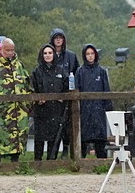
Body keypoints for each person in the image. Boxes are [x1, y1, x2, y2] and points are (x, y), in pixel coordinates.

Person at [30, 43, 70, 160]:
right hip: (41, 111)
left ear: (54, 54)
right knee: (39, 138)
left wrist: (63, 97)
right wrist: (37, 99)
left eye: (50, 53)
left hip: (56, 110)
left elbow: (68, 88)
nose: (47, 55)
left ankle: (51, 162)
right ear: (41, 55)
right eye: (45, 53)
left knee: (54, 138)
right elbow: (32, 89)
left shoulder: (61, 71)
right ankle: (38, 162)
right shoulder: (37, 71)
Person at [46, 29, 80, 157]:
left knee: (67, 125)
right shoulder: (48, 54)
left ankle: (66, 149)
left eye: (60, 37)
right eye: (56, 37)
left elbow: (77, 74)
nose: (58, 40)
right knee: (53, 125)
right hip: (52, 96)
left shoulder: (71, 56)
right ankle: (52, 153)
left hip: (68, 95)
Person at [77, 44, 114, 158]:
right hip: (84, 110)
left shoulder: (101, 71)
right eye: (87, 54)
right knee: (83, 139)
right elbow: (76, 90)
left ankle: (102, 162)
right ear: (84, 55)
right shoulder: (80, 72)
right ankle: (80, 163)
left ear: (96, 55)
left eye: (92, 53)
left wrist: (108, 108)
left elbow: (106, 90)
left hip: (98, 110)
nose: (90, 56)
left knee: (100, 139)